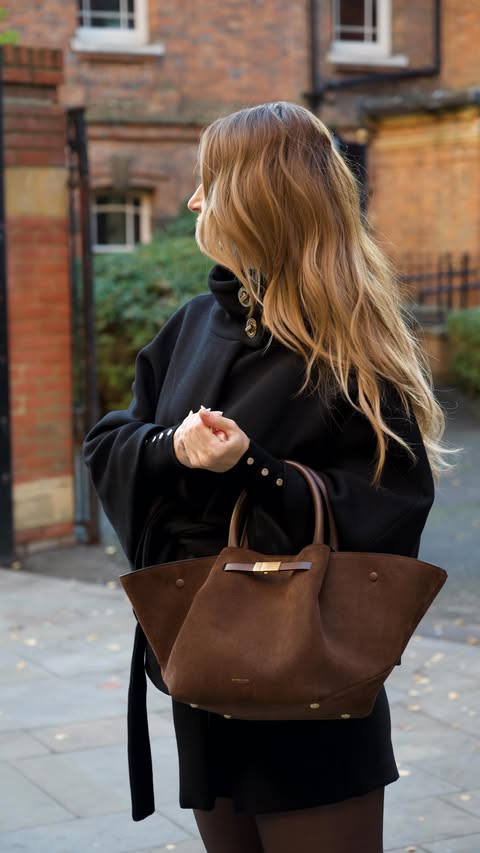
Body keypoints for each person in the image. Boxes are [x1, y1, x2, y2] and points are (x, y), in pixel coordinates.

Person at [84, 102, 453, 853]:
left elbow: (389, 511)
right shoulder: (191, 323)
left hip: (308, 685)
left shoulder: (349, 346)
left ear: (260, 198)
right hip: (202, 668)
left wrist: (251, 468)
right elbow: (110, 440)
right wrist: (169, 447)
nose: (192, 200)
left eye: (208, 182)